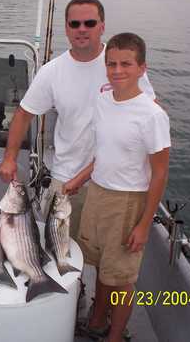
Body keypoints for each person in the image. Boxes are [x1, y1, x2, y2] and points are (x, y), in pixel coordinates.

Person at [0, 0, 155, 240]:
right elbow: (23, 114)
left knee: (109, 262)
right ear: (67, 29)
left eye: (90, 23)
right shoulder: (52, 71)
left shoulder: (120, 67)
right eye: (75, 24)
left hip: (117, 181)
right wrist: (9, 158)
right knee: (63, 250)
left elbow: (149, 114)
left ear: (102, 26)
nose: (82, 29)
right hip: (68, 178)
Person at [64, 32, 170, 342]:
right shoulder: (102, 100)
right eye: (111, 64)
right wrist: (79, 179)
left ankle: (114, 335)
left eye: (126, 64)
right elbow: (102, 153)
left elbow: (160, 174)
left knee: (121, 278)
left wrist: (144, 225)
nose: (117, 70)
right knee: (101, 266)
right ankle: (97, 321)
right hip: (97, 193)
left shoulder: (152, 115)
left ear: (142, 68)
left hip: (128, 203)